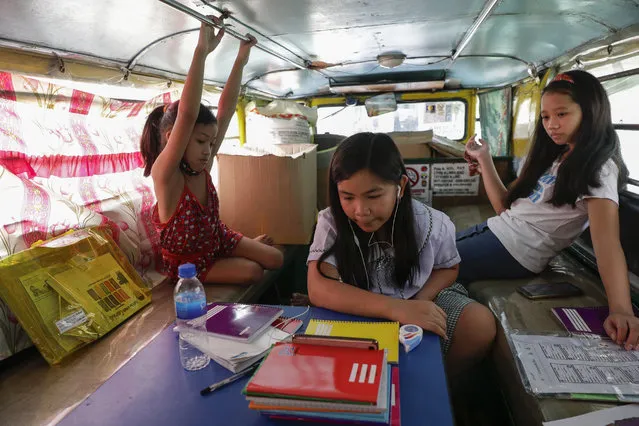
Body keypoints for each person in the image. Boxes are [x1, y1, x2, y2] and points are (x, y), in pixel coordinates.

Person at [458, 69, 638, 350]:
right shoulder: (557, 157)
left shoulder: (600, 169)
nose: (551, 124)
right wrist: (484, 159)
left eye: (561, 114)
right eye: (545, 117)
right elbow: (505, 207)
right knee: (426, 251)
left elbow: (607, 244)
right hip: (496, 232)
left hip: (515, 251)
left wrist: (622, 309)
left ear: (590, 112)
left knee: (427, 264)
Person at [307, 132, 496, 376]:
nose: (361, 210)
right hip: (356, 301)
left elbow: (448, 268)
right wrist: (395, 309)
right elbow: (318, 287)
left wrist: (420, 301)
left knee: (479, 325)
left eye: (373, 196)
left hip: (418, 294)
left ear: (400, 187)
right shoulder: (331, 221)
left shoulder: (434, 224)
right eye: (347, 197)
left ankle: (441, 384)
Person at [139, 17, 283, 284]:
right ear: (174, 138)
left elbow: (226, 109)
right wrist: (201, 52)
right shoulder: (167, 176)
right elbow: (187, 113)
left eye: (210, 142)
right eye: (200, 141)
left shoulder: (200, 165)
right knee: (253, 271)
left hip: (218, 239)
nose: (208, 150)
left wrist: (241, 58)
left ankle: (240, 249)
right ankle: (237, 255)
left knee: (277, 259)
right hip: (189, 265)